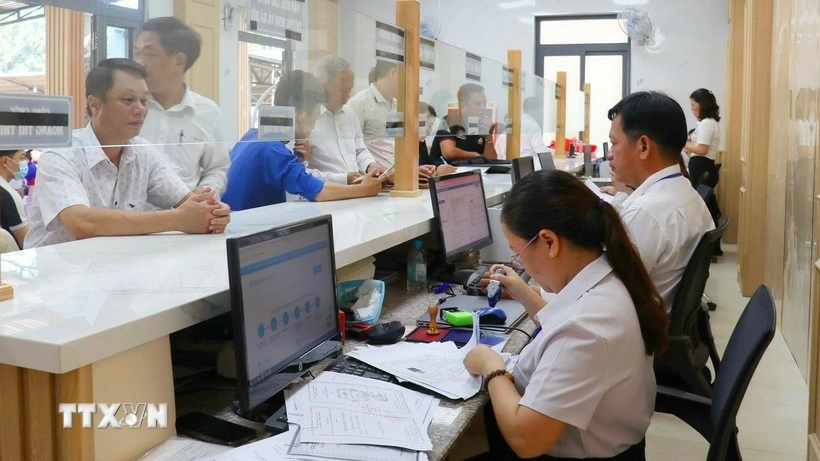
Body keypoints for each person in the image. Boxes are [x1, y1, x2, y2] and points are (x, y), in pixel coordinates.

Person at [463, 169, 668, 460]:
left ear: (550, 242)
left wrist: (492, 367)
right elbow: (562, 329)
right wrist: (522, 291)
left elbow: (525, 439)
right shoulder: (611, 274)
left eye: (518, 253)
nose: (520, 263)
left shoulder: (585, 326)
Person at [24, 59, 230, 248]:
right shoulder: (61, 154)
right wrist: (177, 219)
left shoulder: (143, 153)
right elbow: (82, 223)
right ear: (95, 104)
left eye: (144, 101)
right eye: (128, 100)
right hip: (56, 271)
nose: (140, 109)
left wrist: (212, 212)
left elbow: (190, 204)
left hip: (116, 266)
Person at [596, 91, 714, 311]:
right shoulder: (685, 193)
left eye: (614, 143)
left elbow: (598, 298)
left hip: (636, 327)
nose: (610, 154)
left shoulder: (647, 214)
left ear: (643, 146)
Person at [222, 70, 386, 212]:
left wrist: (298, 162)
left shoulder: (251, 136)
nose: (314, 125)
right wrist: (364, 189)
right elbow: (318, 192)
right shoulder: (273, 150)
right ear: (302, 116)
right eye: (316, 116)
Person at [135, 17, 230, 196]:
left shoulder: (207, 112)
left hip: (185, 210)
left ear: (179, 61)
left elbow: (216, 169)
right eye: (137, 54)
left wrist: (206, 191)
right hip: (132, 211)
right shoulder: (129, 108)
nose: (139, 63)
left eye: (149, 54)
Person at [308, 55, 388, 185]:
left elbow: (359, 150)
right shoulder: (308, 120)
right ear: (322, 86)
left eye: (349, 89)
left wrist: (370, 165)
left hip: (356, 188)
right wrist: (343, 178)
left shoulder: (349, 114)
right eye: (342, 90)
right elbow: (303, 172)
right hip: (328, 190)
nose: (347, 96)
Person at [684, 88, 723, 258]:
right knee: (707, 208)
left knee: (704, 209)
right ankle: (712, 249)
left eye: (694, 105)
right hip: (702, 166)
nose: (692, 108)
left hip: (702, 167)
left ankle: (710, 249)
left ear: (702, 105)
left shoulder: (707, 123)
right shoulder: (706, 122)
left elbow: (701, 149)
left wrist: (682, 143)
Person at [428, 83, 499, 163]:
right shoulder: (449, 120)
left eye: (484, 103)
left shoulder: (482, 124)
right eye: (477, 104)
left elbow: (491, 160)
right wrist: (476, 155)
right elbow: (449, 152)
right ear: (463, 105)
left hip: (474, 169)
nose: (483, 107)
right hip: (445, 169)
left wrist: (488, 137)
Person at [494, 96, 550, 161]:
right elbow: (540, 150)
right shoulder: (532, 125)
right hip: (527, 164)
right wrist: (557, 151)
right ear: (539, 109)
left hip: (508, 164)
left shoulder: (514, 123)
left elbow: (498, 152)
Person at [0, 149, 30, 248]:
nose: (24, 163)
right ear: (5, 162)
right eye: (22, 158)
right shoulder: (8, 195)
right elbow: (26, 242)